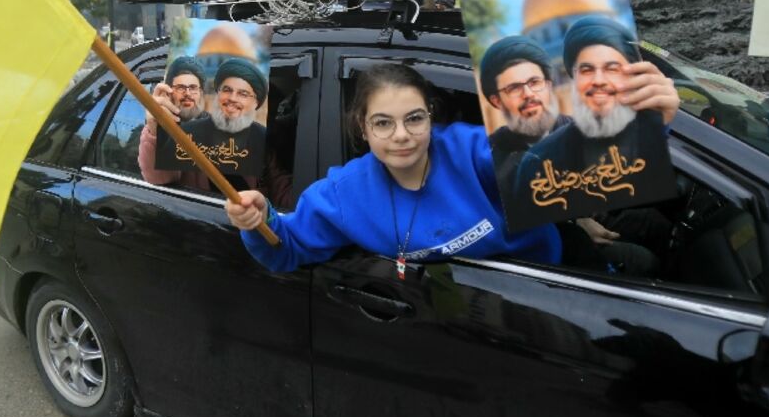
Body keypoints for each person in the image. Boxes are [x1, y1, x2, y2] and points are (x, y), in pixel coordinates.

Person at [225, 63, 561, 274]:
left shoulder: (475, 151)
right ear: (363, 127)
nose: (402, 136)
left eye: (414, 118)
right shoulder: (345, 194)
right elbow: (288, 249)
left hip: (545, 299)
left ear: (431, 114)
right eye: (383, 123)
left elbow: (560, 168)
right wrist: (257, 220)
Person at [483, 30, 678, 272]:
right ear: (496, 101)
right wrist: (575, 223)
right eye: (514, 88)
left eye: (535, 82)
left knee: (654, 223)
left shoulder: (567, 125)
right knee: (640, 261)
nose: (529, 94)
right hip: (553, 240)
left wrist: (657, 122)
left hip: (590, 211)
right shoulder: (494, 155)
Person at [139, 56, 291, 205]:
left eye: (243, 94)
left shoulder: (260, 142)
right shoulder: (188, 135)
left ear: (255, 103)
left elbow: (282, 193)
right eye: (226, 90)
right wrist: (154, 130)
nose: (232, 98)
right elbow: (158, 176)